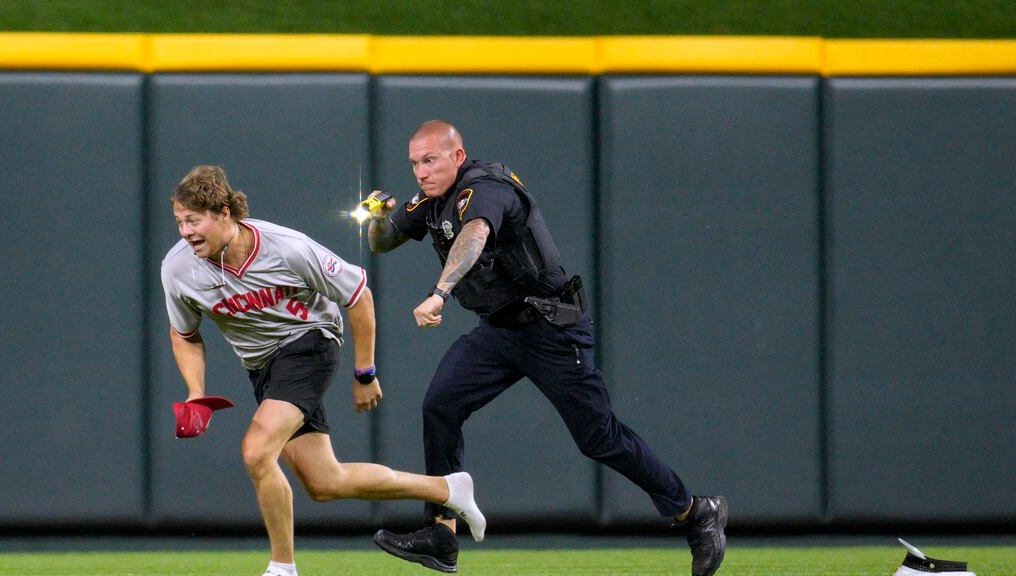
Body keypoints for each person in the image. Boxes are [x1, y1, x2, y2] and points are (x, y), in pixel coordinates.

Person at [365, 121, 728, 576]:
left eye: (430, 160)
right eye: (415, 163)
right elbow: (383, 242)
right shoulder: (432, 200)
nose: (421, 171)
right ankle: (441, 533)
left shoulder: (487, 188)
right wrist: (379, 216)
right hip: (498, 331)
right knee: (440, 404)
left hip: (550, 327)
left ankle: (695, 512)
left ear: (457, 156)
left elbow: (475, 234)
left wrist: (440, 291)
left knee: (599, 438)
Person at [161, 165, 485, 576]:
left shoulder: (286, 248)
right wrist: (196, 392)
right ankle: (448, 488)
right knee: (324, 481)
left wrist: (364, 372)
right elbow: (185, 334)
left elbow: (359, 295)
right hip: (262, 367)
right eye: (179, 222)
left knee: (256, 452)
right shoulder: (178, 268)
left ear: (224, 212)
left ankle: (282, 568)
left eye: (194, 219)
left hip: (308, 344)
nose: (186, 231)